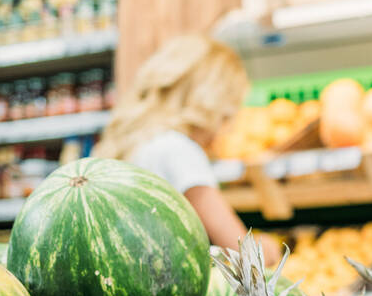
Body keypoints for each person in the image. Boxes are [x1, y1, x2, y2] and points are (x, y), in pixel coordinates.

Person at [94, 35, 281, 265]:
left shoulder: (132, 144)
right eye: (226, 114)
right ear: (210, 101)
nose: (225, 126)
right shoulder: (178, 150)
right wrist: (273, 249)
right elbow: (245, 254)